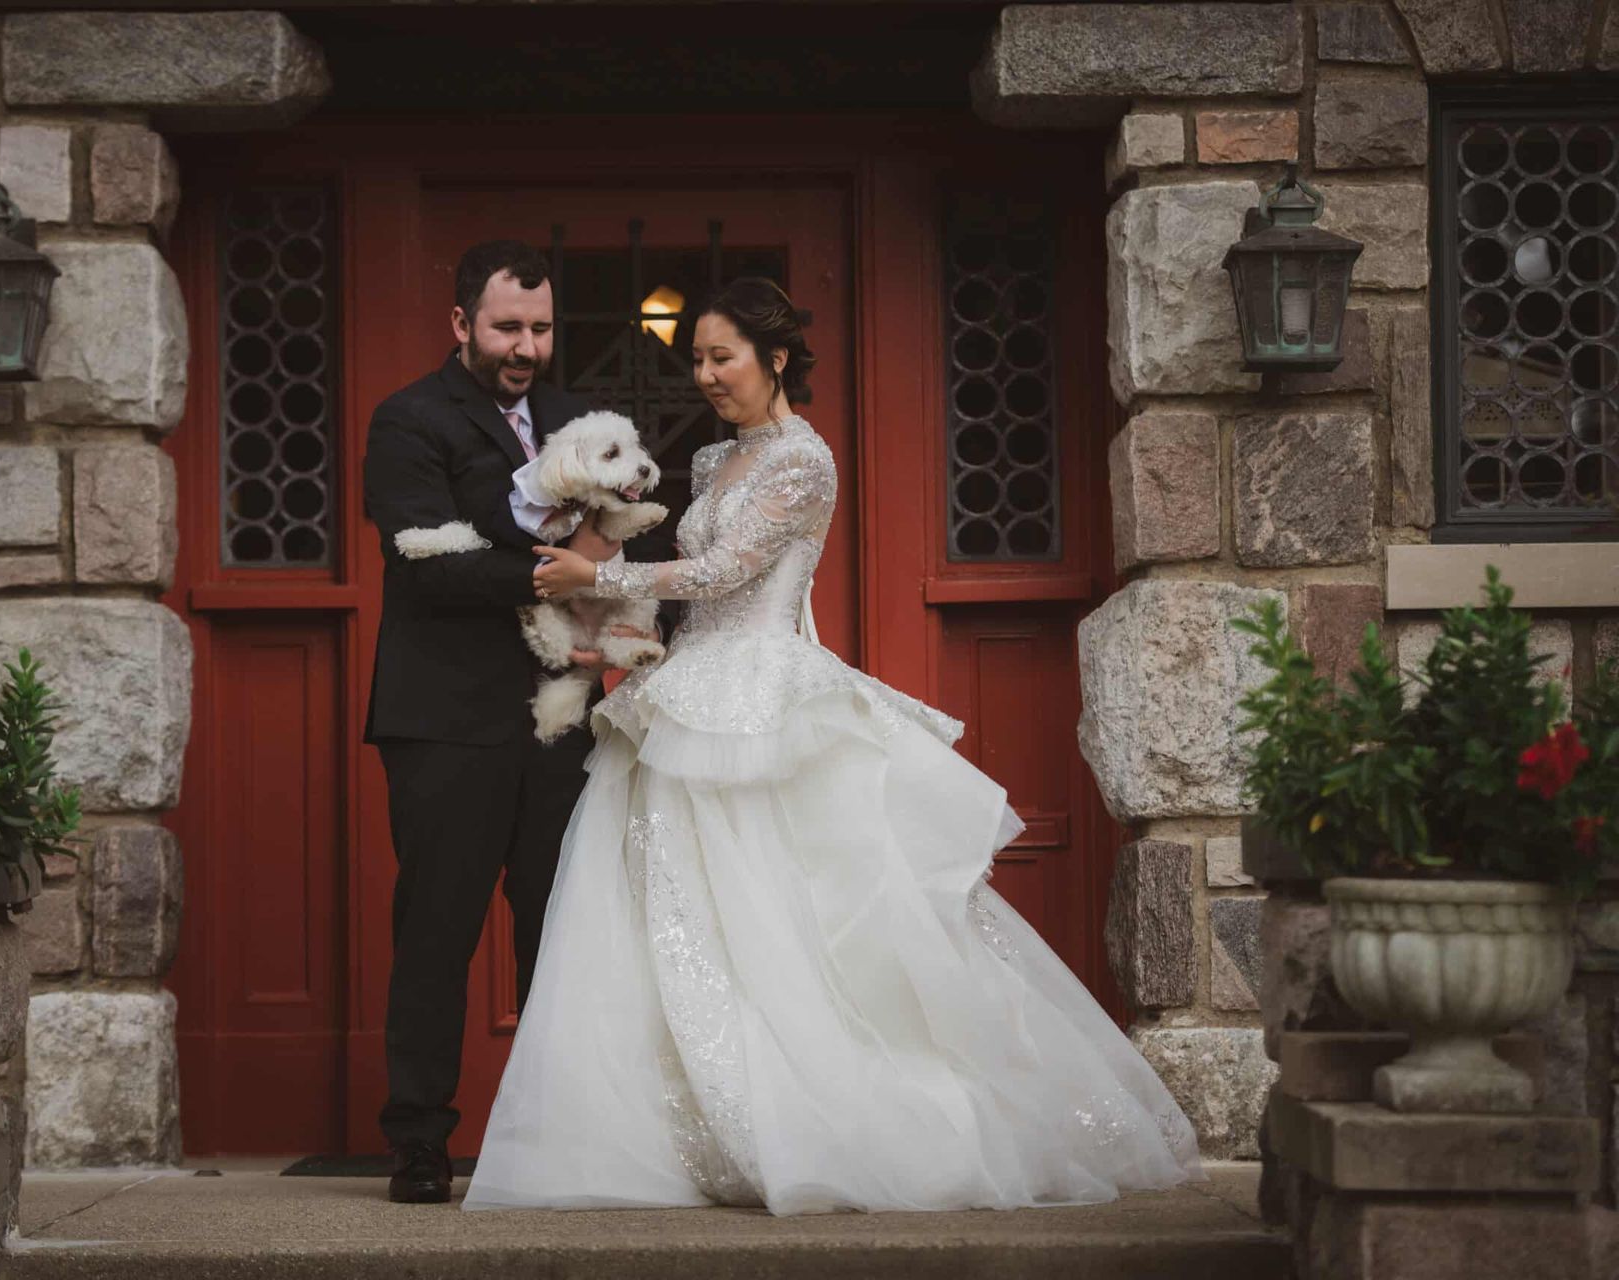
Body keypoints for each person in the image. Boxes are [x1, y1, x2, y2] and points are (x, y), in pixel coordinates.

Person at [464, 278, 1203, 1214]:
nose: (704, 376)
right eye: (695, 359)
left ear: (774, 359)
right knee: (679, 918)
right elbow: (692, 580)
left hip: (760, 690)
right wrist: (604, 599)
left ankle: (837, 1118)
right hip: (688, 685)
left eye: (720, 357)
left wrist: (603, 574)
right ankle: (697, 1130)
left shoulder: (804, 463)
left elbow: (731, 570)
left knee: (784, 912)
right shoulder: (715, 461)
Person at [362, 240, 639, 1205]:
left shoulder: (578, 418)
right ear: (462, 327)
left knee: (560, 930)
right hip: (442, 719)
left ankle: (556, 1135)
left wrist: (597, 576)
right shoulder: (408, 419)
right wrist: (544, 568)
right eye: (507, 327)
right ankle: (421, 1145)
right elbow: (422, 562)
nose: (526, 345)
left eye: (541, 327)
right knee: (437, 933)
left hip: (560, 716)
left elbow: (621, 521)